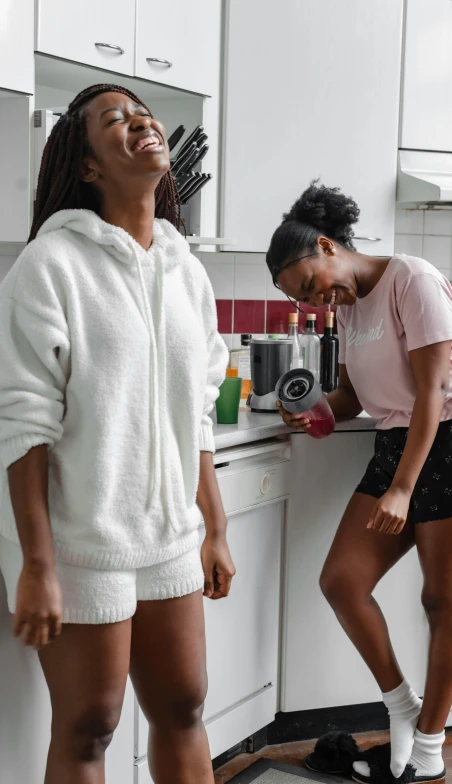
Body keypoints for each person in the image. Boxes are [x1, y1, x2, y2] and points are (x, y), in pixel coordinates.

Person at [0, 83, 235, 784]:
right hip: (81, 543)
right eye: (114, 120)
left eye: (141, 112)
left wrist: (213, 527)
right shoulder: (49, 267)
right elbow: (23, 424)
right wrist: (37, 564)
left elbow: (196, 411)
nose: (138, 121)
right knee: (89, 727)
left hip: (168, 536)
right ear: (89, 167)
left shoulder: (187, 271)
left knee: (186, 708)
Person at [268, 182, 452, 784]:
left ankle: (429, 749)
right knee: (342, 582)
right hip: (399, 444)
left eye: (309, 285)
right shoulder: (351, 309)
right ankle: (403, 706)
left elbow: (431, 391)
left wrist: (402, 490)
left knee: (442, 603)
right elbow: (358, 397)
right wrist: (316, 408)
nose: (316, 300)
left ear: (327, 246)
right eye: (304, 300)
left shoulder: (413, 278)